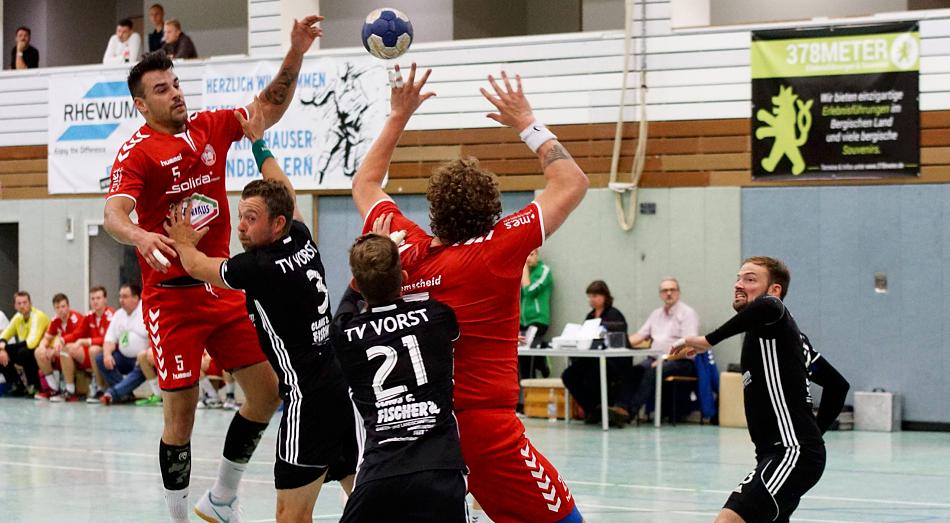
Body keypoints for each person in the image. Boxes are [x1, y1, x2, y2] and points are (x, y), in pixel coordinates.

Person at [102, 15, 323, 522]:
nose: (176, 93)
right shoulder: (137, 153)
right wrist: (139, 234)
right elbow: (113, 214)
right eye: (162, 89)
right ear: (142, 105)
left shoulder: (209, 127)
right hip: (171, 299)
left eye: (176, 83)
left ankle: (221, 498)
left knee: (267, 392)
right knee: (180, 420)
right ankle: (178, 517)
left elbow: (267, 107)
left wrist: (296, 52)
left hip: (220, 286)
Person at [351, 63, 588, 523]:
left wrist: (398, 116)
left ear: (433, 209)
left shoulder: (404, 251)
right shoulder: (496, 251)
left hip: (418, 427)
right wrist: (526, 122)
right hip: (484, 429)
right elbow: (571, 181)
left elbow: (365, 184)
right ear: (493, 212)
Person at [165, 105, 357, 520]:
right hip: (338, 386)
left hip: (306, 400)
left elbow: (198, 267)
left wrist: (182, 240)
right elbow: (283, 188)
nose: (240, 227)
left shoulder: (257, 268)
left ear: (276, 224)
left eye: (250, 219)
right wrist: (257, 142)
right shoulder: (300, 235)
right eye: (240, 217)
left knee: (290, 515)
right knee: (360, 494)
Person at [672, 257, 831, 523]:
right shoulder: (787, 339)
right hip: (781, 453)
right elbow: (838, 386)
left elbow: (769, 306)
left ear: (775, 289)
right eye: (738, 278)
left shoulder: (774, 311)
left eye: (750, 279)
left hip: (789, 453)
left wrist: (707, 340)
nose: (739, 284)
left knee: (728, 520)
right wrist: (814, 437)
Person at [332, 233, 467, 522]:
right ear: (403, 278)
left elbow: (346, 305)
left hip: (380, 473)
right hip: (440, 469)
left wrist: (366, 272)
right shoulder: (438, 316)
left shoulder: (345, 334)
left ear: (358, 285)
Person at [620, 277, 701, 423]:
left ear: (678, 292)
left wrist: (665, 359)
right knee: (634, 371)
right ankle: (620, 408)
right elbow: (639, 336)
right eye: (665, 290)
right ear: (660, 294)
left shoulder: (687, 313)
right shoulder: (655, 314)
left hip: (681, 361)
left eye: (672, 290)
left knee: (653, 371)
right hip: (655, 359)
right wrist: (618, 343)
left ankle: (629, 413)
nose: (669, 293)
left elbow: (690, 347)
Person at [560, 280, 632, 427]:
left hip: (614, 360)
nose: (592, 299)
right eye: (590, 296)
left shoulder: (614, 314)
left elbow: (618, 335)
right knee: (569, 375)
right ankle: (593, 408)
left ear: (605, 296)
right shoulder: (590, 316)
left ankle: (601, 409)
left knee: (594, 373)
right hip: (593, 357)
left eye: (595, 296)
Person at [60, 286, 114, 403]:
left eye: (98, 298)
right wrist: (62, 340)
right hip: (92, 354)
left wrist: (86, 341)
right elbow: (77, 334)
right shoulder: (89, 316)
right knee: (66, 348)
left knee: (94, 349)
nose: (95, 301)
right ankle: (69, 389)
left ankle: (100, 388)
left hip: (109, 354)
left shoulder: (111, 315)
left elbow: (108, 339)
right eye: (92, 299)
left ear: (105, 300)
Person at [96, 284, 148, 405]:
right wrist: (107, 355)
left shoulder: (146, 311)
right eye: (120, 296)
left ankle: (112, 394)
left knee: (142, 366)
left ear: (136, 298)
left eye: (125, 297)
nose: (121, 300)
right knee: (100, 358)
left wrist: (143, 355)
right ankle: (125, 393)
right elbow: (109, 339)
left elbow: (153, 338)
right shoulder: (119, 314)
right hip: (123, 358)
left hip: (141, 359)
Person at [34, 293, 83, 400]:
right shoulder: (55, 320)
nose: (61, 310)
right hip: (63, 353)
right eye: (57, 307)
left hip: (78, 354)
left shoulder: (76, 318)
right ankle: (53, 389)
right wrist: (42, 347)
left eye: (63, 306)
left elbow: (76, 336)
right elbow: (46, 338)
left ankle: (70, 391)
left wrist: (59, 343)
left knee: (64, 350)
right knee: (38, 352)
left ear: (68, 306)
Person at [0, 291, 50, 396]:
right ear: (15, 306)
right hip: (25, 349)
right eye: (19, 303)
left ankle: (34, 386)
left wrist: (5, 347)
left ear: (30, 303)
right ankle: (17, 384)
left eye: (25, 302)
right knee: (2, 353)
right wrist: (2, 348)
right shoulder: (17, 317)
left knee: (24, 352)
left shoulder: (38, 316)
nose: (22, 306)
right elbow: (5, 334)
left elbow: (31, 343)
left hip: (42, 351)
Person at [801, 333, 850, 434]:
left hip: (795, 427)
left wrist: (816, 434)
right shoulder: (798, 340)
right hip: (794, 427)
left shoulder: (797, 340)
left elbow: (838, 386)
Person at [519, 248, 552, 379]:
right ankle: (527, 387)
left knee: (531, 353)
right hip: (523, 321)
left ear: (537, 255)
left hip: (538, 319)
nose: (528, 258)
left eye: (531, 254)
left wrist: (524, 271)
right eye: (526, 255)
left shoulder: (543, 271)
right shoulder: (522, 273)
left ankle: (543, 361)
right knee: (523, 358)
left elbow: (529, 291)